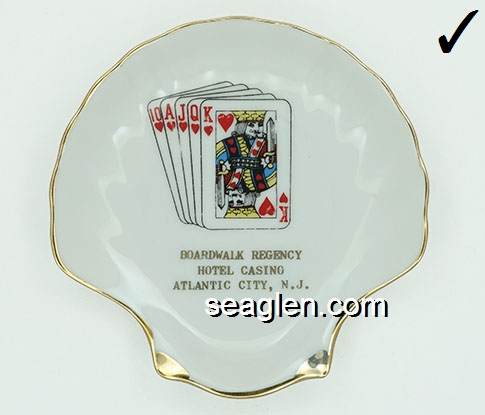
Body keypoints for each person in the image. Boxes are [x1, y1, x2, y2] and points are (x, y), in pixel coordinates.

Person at [215, 111, 276, 218]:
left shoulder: (265, 145)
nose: (256, 128)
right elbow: (216, 159)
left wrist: (270, 160)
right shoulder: (228, 144)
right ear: (242, 126)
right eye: (251, 125)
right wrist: (220, 168)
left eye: (259, 125)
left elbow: (275, 170)